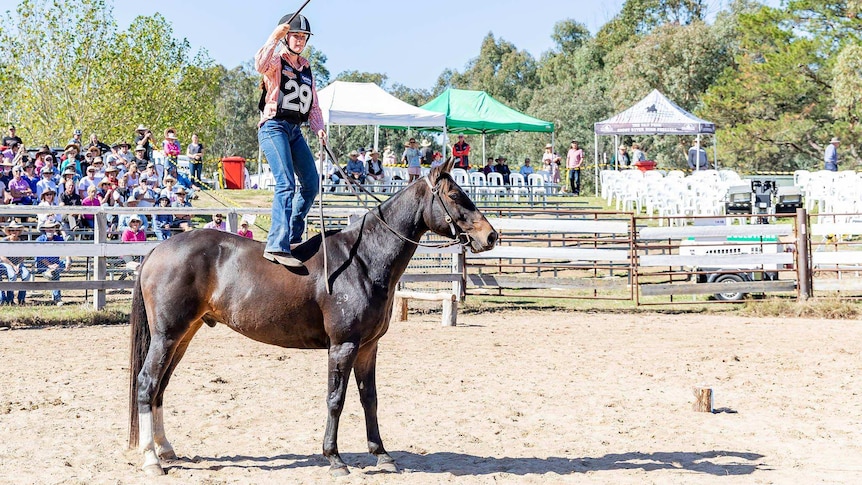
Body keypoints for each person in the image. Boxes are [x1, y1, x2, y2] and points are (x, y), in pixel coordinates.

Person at [255, 11, 325, 268]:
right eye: (295, 35)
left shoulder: (306, 68)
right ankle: (276, 244)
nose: (300, 40)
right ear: (286, 36)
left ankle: (293, 236)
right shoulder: (275, 61)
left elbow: (314, 106)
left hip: (295, 130)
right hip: (273, 127)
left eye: (303, 37)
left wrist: (318, 128)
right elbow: (259, 65)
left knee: (310, 183)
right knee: (285, 183)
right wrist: (274, 36)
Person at [35, 220, 70, 306]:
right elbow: (39, 257)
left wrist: (68, 259)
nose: (50, 230)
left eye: (52, 228)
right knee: (55, 274)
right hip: (42, 265)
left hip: (56, 264)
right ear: (45, 229)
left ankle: (51, 272)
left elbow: (66, 249)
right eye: (48, 228)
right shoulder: (40, 240)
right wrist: (49, 265)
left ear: (55, 229)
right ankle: (57, 298)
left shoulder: (58, 239)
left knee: (61, 266)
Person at [1, 221, 33, 305]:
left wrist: (18, 264)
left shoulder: (21, 241)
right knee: (12, 276)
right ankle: (10, 299)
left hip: (18, 263)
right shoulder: (4, 241)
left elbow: (23, 255)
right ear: (9, 232)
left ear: (19, 231)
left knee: (26, 275)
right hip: (6, 263)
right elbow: (2, 256)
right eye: (12, 230)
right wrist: (12, 265)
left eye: (16, 230)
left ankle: (21, 299)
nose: (14, 232)